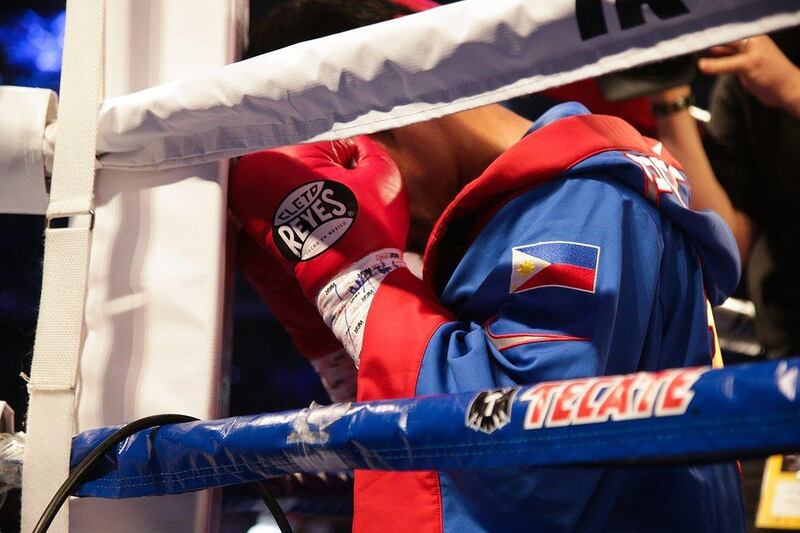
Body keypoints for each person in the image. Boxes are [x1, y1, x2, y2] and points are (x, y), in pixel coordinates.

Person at [230, 1, 746, 531]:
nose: (369, 206)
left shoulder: (579, 205)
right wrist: (332, 346)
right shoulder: (530, 212)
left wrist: (353, 284)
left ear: (384, 100)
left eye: (341, 166)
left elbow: (517, 456)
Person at [652, 29, 800, 532]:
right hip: (789, 372)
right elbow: (728, 249)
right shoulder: (747, 66)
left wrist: (794, 90)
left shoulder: (775, 72)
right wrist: (669, 98)